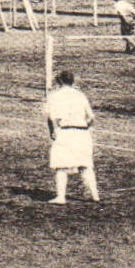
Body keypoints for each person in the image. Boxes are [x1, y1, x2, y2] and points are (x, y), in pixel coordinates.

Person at [44, 69, 100, 204]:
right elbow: (91, 117)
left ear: (60, 81)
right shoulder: (80, 95)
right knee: (85, 165)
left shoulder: (54, 96)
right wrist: (88, 129)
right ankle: (95, 195)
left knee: (61, 165)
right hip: (83, 132)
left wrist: (53, 132)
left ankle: (61, 197)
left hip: (66, 131)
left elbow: (51, 117)